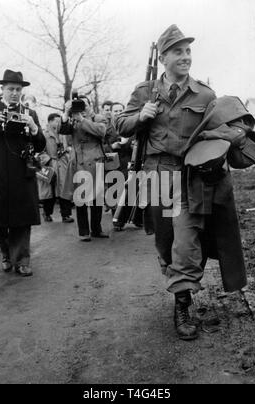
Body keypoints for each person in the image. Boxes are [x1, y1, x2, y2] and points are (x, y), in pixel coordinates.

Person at [116, 25, 217, 340]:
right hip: (156, 173)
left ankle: (182, 302)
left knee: (185, 241)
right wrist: (140, 117)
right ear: (163, 58)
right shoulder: (145, 91)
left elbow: (217, 129)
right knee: (165, 241)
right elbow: (118, 125)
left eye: (188, 51)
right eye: (178, 52)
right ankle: (179, 285)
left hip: (190, 174)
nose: (186, 57)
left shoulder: (205, 94)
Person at [0, 69, 46, 277]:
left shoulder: (29, 113)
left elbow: (41, 145)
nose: (15, 93)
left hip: (21, 175)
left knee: (22, 220)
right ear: (2, 89)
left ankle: (22, 260)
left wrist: (34, 129)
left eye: (18, 89)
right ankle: (7, 254)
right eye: (10, 89)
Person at [61, 95, 109, 242]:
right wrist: (65, 113)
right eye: (79, 104)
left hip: (94, 160)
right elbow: (63, 131)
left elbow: (101, 131)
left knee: (96, 197)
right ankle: (83, 231)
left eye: (84, 104)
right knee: (80, 198)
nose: (82, 107)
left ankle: (96, 229)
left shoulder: (97, 118)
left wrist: (83, 119)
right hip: (78, 162)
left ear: (90, 105)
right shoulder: (72, 119)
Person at [38, 113, 74, 224]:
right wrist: (47, 159)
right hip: (49, 165)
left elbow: (70, 145)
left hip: (63, 164)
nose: (59, 123)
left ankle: (66, 215)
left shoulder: (63, 133)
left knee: (64, 190)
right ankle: (47, 213)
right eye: (56, 121)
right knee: (50, 192)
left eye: (59, 121)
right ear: (50, 122)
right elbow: (38, 152)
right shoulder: (43, 135)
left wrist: (68, 152)